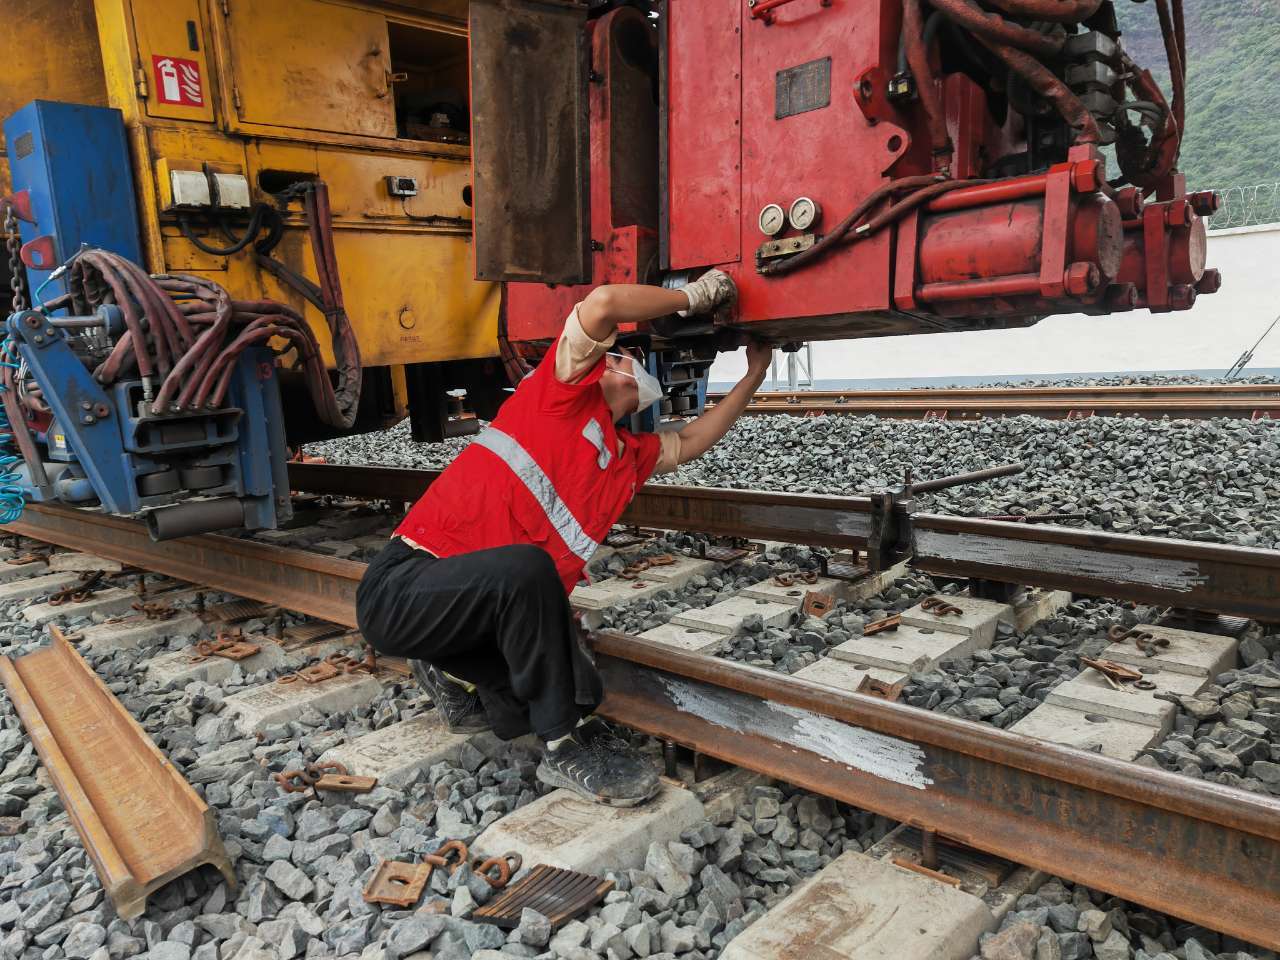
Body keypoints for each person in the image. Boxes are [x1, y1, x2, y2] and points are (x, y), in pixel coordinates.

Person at [355, 272, 772, 806]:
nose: (615, 359)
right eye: (614, 356)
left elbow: (693, 439)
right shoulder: (557, 394)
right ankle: (563, 746)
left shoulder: (625, 458)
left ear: (632, 389)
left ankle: (445, 671)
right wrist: (695, 297)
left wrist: (753, 375)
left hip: (472, 610)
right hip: (403, 587)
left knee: (578, 688)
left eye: (621, 360)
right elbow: (605, 303)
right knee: (530, 574)